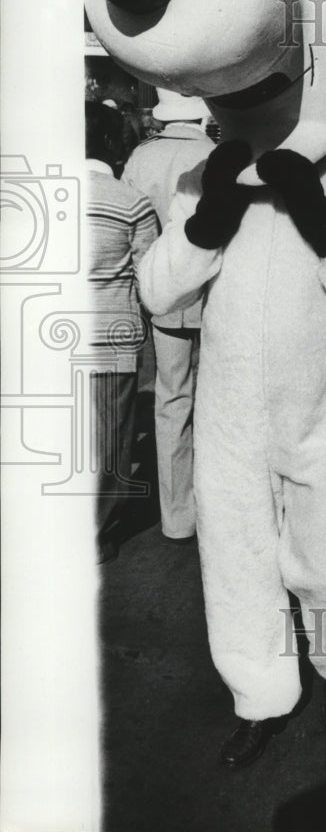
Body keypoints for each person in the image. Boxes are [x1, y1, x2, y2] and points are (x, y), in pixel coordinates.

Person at [121, 88, 214, 542]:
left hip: (162, 297)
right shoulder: (217, 156)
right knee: (216, 404)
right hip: (213, 294)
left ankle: (177, 516)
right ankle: (216, 505)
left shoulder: (141, 160)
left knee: (171, 400)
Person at [86, 100, 159, 563]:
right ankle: (95, 532)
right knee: (111, 440)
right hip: (112, 337)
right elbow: (149, 276)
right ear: (114, 144)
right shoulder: (131, 202)